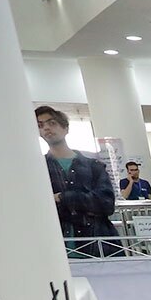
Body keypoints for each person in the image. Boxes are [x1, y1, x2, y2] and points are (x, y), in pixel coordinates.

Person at [35, 106, 117, 247]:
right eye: (40, 125)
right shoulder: (38, 168)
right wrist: (83, 200)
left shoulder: (94, 166)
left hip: (98, 245)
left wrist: (62, 197)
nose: (46, 128)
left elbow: (106, 204)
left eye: (52, 123)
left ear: (65, 128)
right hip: (55, 246)